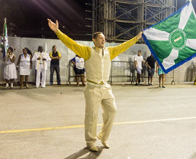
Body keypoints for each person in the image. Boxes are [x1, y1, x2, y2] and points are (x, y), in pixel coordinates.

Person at [48, 19, 142, 152]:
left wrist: (136, 38)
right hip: (92, 88)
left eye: (104, 39)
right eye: (101, 39)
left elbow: (124, 46)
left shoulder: (110, 51)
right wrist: (57, 31)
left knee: (112, 111)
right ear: (94, 40)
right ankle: (90, 141)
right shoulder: (87, 51)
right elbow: (71, 43)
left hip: (106, 88)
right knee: (92, 116)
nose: (104, 40)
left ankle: (103, 137)